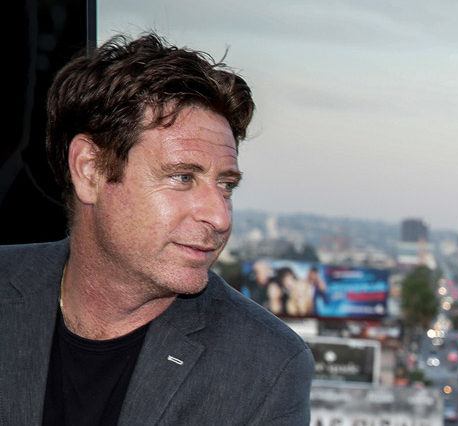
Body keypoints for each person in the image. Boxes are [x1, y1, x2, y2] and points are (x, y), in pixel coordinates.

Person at [0, 33, 314, 425]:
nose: (220, 217)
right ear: (90, 170)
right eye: (182, 177)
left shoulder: (265, 367)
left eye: (227, 185)